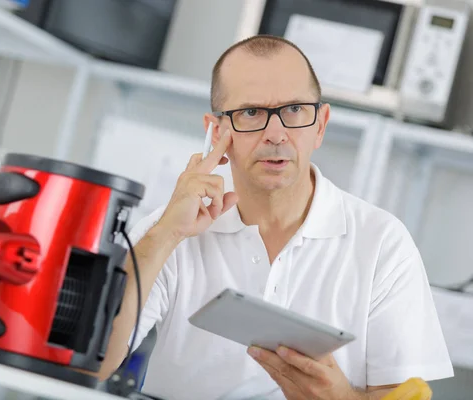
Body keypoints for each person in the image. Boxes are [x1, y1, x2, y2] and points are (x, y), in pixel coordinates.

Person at [97, 35, 454, 400]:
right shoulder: (170, 228)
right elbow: (93, 362)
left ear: (320, 125)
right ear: (217, 132)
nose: (276, 133)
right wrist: (166, 235)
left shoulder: (383, 243)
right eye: (251, 112)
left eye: (295, 109)